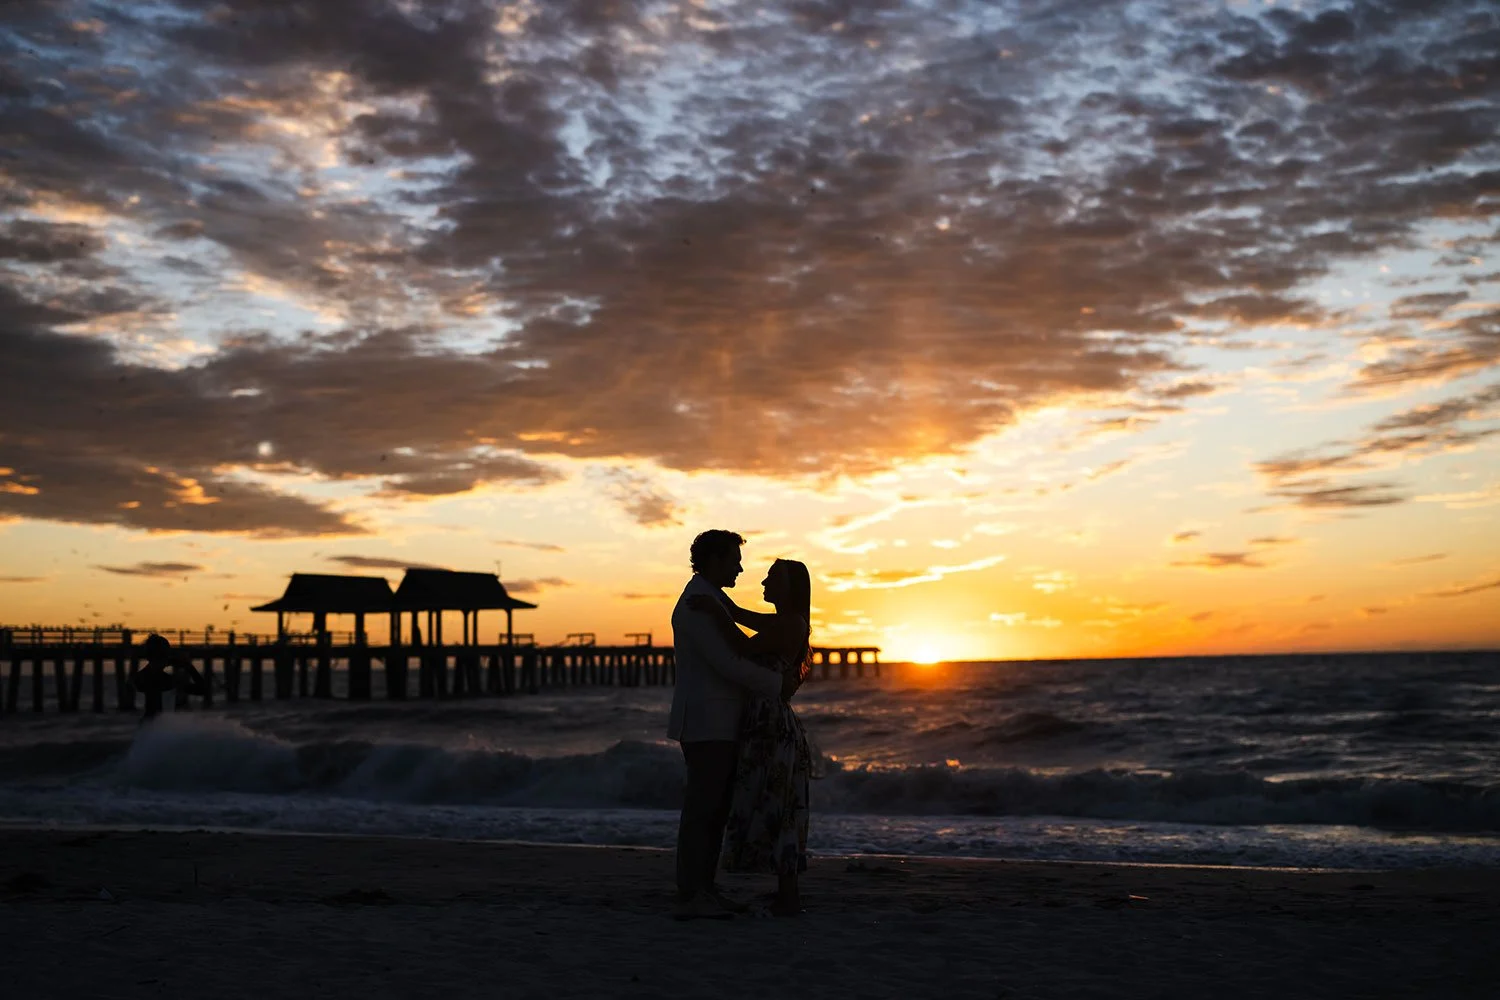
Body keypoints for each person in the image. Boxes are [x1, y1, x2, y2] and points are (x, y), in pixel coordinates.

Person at [688, 558, 815, 917]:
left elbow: (741, 648)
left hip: (771, 725)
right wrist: (716, 601)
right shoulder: (783, 622)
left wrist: (714, 613)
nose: (763, 582)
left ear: (789, 587)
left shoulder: (790, 624)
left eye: (772, 578)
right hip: (766, 723)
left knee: (781, 806)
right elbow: (741, 615)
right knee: (777, 805)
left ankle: (788, 897)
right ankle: (785, 894)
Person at [668, 530, 785, 920]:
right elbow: (728, 663)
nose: (740, 567)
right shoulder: (698, 603)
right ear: (714, 560)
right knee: (703, 809)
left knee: (714, 810)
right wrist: (778, 686)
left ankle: (704, 888)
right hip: (706, 721)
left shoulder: (713, 597)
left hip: (718, 721)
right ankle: (692, 893)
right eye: (734, 559)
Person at [128, 633, 207, 721]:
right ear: (166, 656)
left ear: (147, 656)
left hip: (147, 729)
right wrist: (188, 666)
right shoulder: (168, 681)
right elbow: (202, 690)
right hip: (162, 727)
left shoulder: (139, 678)